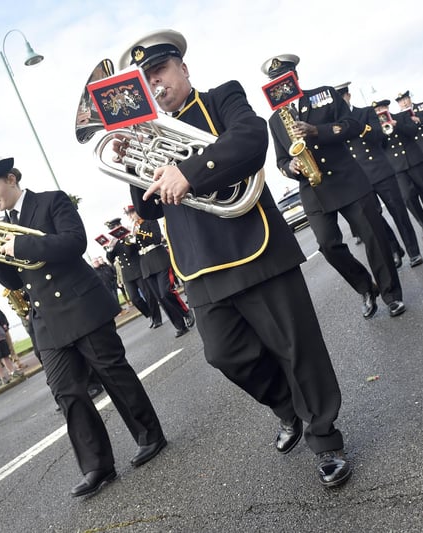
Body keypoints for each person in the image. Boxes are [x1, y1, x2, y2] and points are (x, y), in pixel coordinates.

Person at [112, 30, 351, 487]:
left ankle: (325, 439)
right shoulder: (145, 131)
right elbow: (145, 209)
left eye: (160, 70)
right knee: (226, 355)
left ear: (182, 68)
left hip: (254, 246)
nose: (156, 83)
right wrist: (131, 161)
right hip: (198, 263)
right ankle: (288, 408)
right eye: (146, 79)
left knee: (297, 349)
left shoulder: (223, 98)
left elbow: (249, 141)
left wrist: (188, 171)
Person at [0, 155, 166, 497]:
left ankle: (150, 436)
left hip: (81, 305)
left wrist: (20, 244)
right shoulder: (0, 226)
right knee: (66, 393)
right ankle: (97, 466)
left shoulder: (51, 201)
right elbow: (14, 279)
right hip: (47, 318)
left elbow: (75, 243)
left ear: (11, 179)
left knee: (112, 374)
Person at [265, 54, 405, 318]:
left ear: (294, 77)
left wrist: (317, 130)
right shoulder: (275, 120)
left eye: (284, 79)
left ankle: (392, 295)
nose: (280, 85)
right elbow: (280, 160)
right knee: (328, 246)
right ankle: (366, 287)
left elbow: (352, 125)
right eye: (275, 82)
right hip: (313, 190)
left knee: (374, 237)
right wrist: (290, 168)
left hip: (346, 178)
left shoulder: (325, 95)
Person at [335, 81, 423, 268]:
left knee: (399, 213)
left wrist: (357, 126)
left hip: (380, 171)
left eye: (341, 98)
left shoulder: (365, 112)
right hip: (359, 178)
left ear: (348, 96)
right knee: (375, 220)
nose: (340, 103)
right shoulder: (335, 124)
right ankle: (394, 249)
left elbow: (380, 135)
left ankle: (413, 251)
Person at [373, 99, 423, 238]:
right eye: (376, 110)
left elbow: (414, 131)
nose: (379, 112)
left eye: (381, 108)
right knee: (407, 197)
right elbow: (379, 146)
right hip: (397, 167)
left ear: (387, 108)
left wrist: (396, 125)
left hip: (415, 159)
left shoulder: (402, 117)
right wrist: (381, 131)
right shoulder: (376, 128)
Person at [125, 205, 192, 335]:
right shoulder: (131, 231)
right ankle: (180, 326)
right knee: (161, 300)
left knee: (166, 292)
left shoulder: (150, 220)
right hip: (146, 266)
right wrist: (129, 238)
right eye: (128, 214)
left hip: (159, 260)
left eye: (132, 212)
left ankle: (185, 311)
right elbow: (128, 253)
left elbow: (156, 238)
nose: (131, 216)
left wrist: (139, 232)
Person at [104, 217, 161, 326]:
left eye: (114, 228)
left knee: (148, 295)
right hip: (127, 275)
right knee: (135, 299)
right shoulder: (113, 243)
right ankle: (149, 314)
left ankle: (156, 318)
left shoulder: (129, 237)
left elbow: (129, 252)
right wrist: (110, 248)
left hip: (138, 270)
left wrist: (124, 239)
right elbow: (110, 259)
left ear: (119, 227)